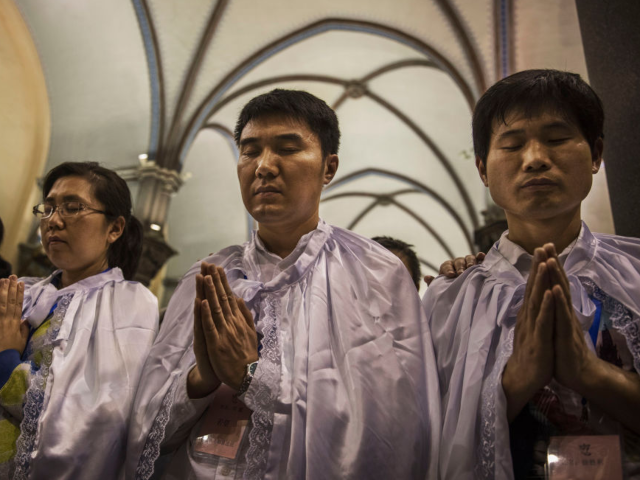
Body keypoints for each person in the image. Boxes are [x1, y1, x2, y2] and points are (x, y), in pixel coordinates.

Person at [126, 89, 440, 480]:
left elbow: (390, 430)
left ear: (329, 167)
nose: (264, 166)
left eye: (287, 149)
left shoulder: (376, 273)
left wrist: (252, 377)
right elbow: (143, 429)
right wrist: (200, 380)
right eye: (250, 150)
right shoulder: (208, 275)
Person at [423, 69, 640, 479]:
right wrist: (516, 381)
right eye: (513, 144)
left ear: (595, 154)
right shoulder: (449, 299)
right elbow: (427, 436)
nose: (536, 158)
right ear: (484, 170)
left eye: (557, 139)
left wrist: (590, 373)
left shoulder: (635, 272)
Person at [0, 162, 159, 479]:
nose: (53, 221)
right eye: (47, 209)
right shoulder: (26, 293)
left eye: (72, 208)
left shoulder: (129, 303)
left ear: (114, 228)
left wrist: (6, 360)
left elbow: (97, 418)